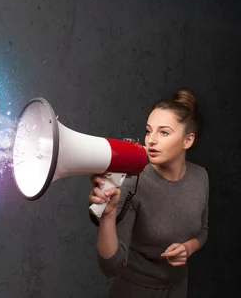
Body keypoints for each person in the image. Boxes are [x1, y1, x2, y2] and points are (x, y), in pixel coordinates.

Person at [88, 88, 209, 297]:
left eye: (163, 132)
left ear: (188, 140)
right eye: (148, 130)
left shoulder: (201, 177)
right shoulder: (133, 183)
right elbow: (111, 267)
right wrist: (107, 216)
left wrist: (189, 248)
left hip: (178, 287)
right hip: (134, 290)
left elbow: (203, 230)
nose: (151, 140)